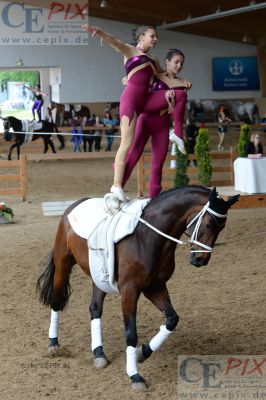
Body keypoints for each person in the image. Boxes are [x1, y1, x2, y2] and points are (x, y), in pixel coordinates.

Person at [82, 23, 163, 201]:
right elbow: (114, 41)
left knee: (135, 145)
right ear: (141, 37)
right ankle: (116, 185)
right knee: (126, 143)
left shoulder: (154, 60)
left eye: (156, 36)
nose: (155, 39)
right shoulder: (131, 51)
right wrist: (99, 31)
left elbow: (163, 79)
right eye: (152, 36)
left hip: (145, 102)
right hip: (131, 102)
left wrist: (181, 82)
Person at [122, 49, 191, 198]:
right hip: (145, 118)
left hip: (162, 123)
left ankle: (153, 198)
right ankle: (117, 188)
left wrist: (171, 105)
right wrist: (128, 80)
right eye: (176, 62)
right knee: (133, 156)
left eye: (181, 63)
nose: (179, 65)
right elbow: (139, 88)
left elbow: (174, 113)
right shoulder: (155, 76)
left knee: (157, 164)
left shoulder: (182, 85)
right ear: (167, 62)